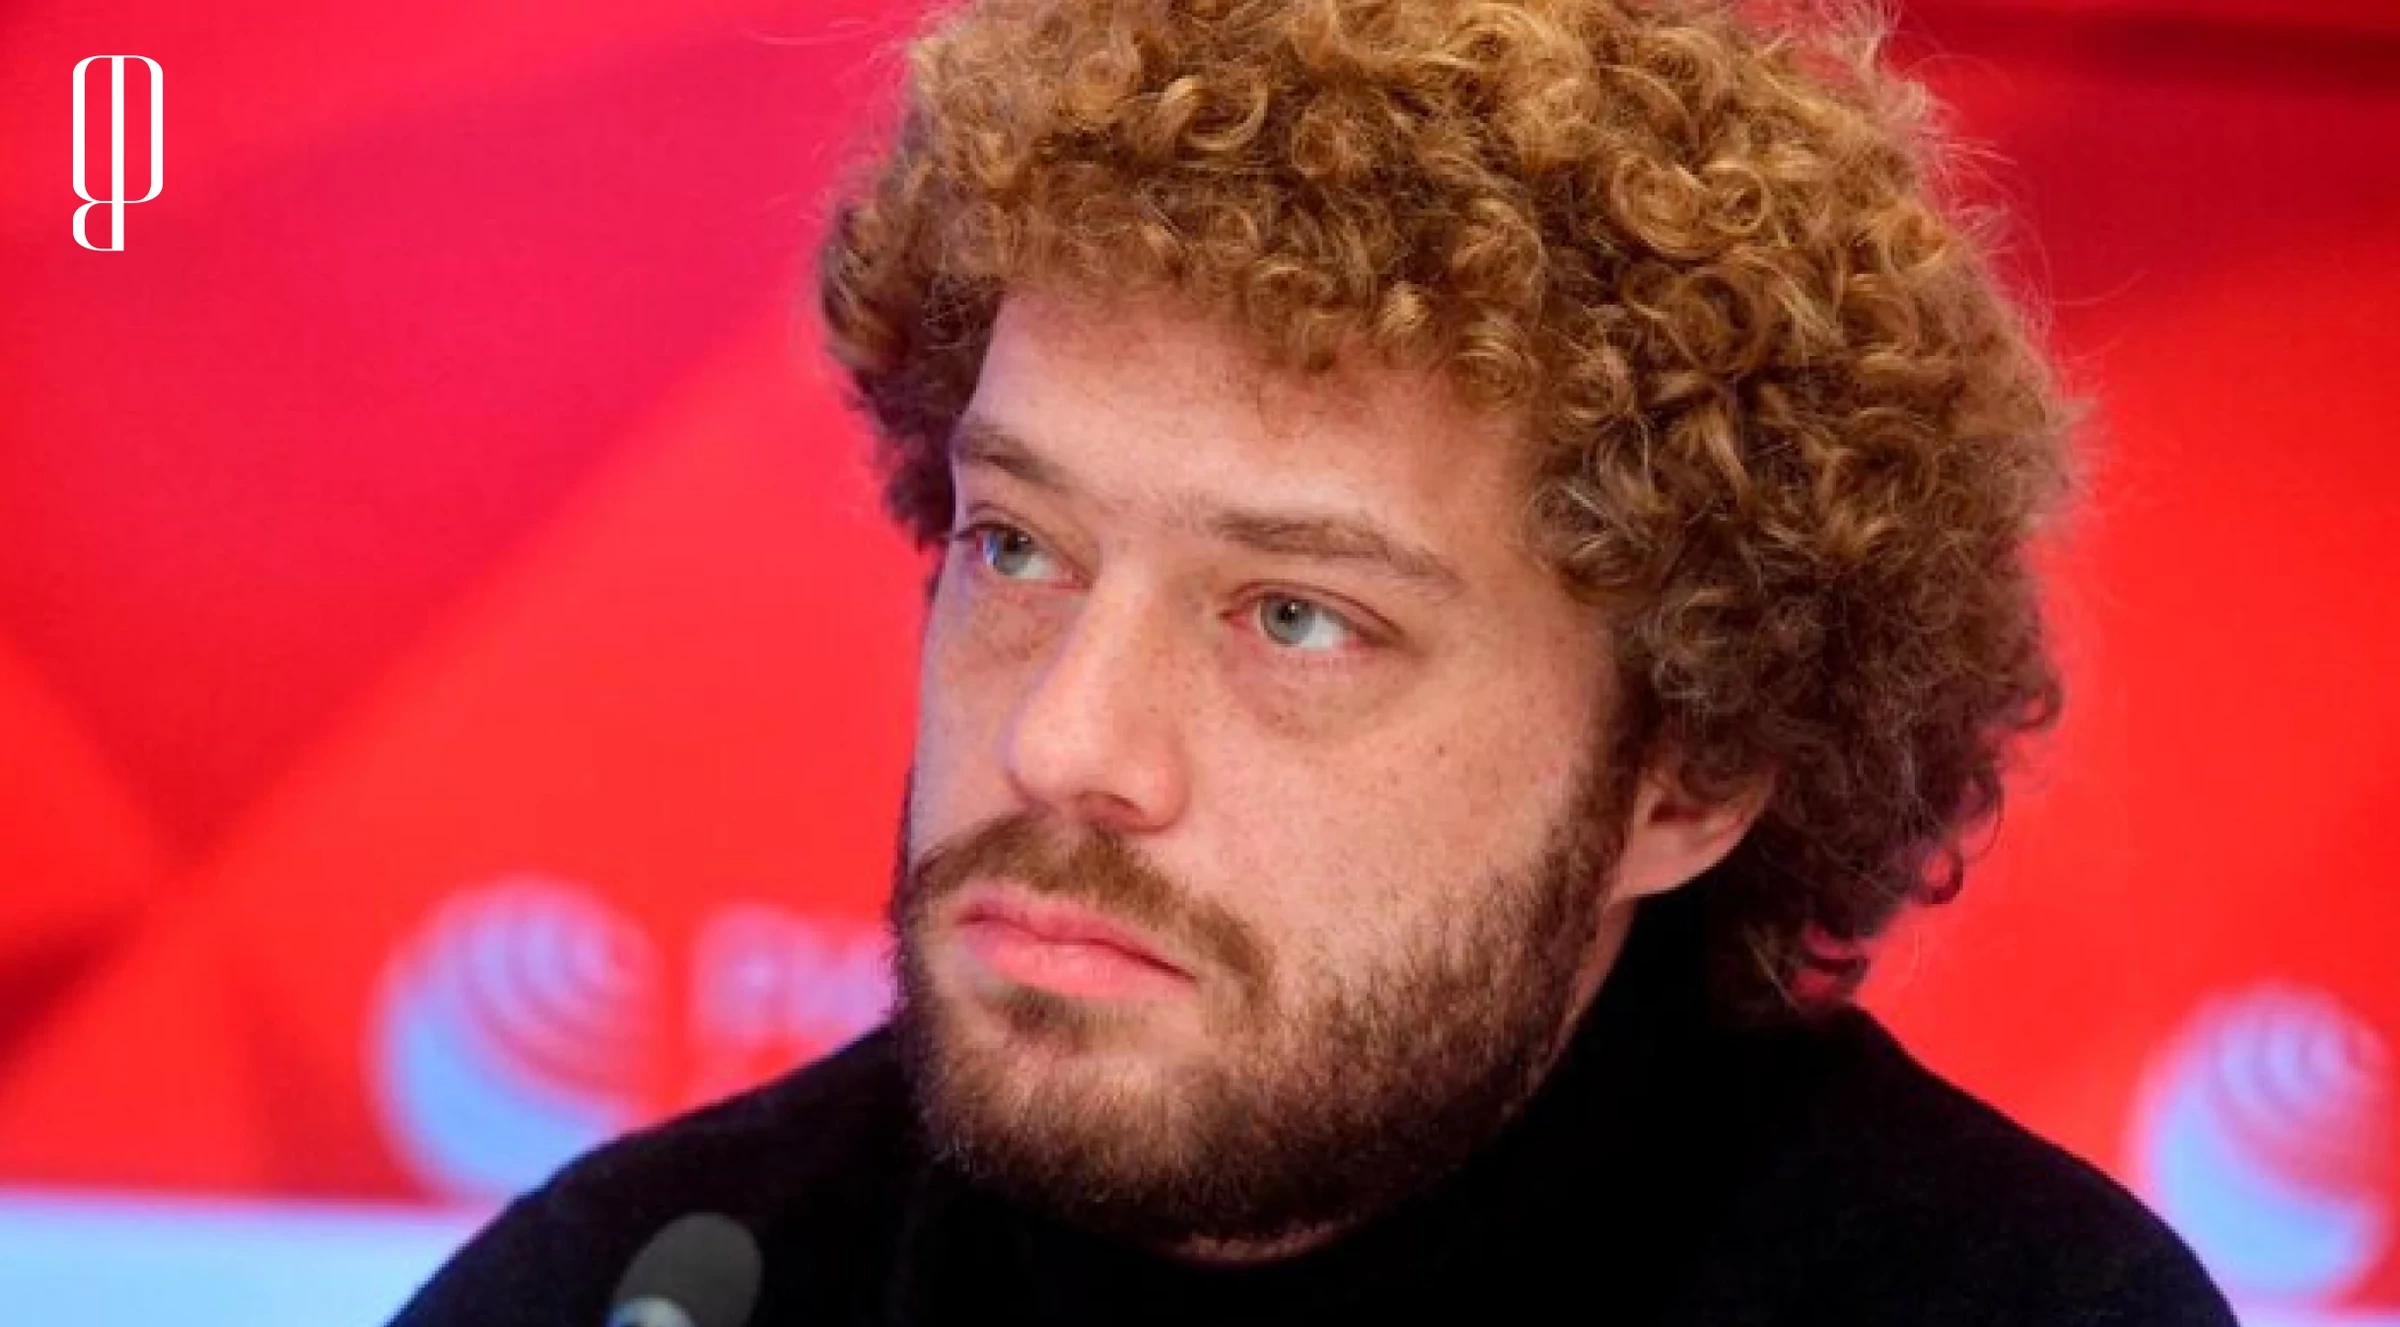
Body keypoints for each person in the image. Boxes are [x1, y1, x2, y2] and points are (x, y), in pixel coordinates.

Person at [391, 0, 2236, 1321]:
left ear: (1688, 773)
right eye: (1016, 545)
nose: (1064, 741)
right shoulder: (646, 1285)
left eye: (1296, 613)